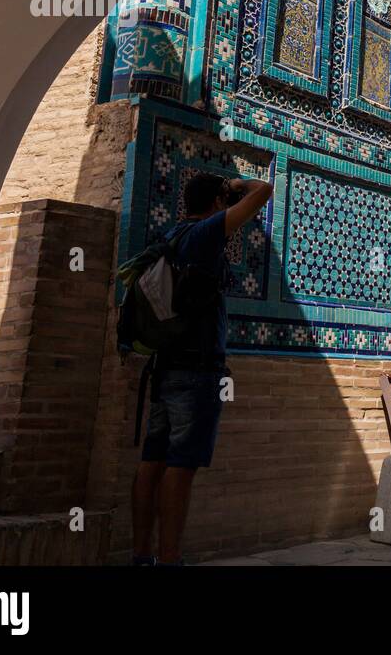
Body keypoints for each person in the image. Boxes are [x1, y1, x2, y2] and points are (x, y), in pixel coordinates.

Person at [130, 172, 273, 565]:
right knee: (182, 464)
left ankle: (141, 554)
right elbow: (265, 191)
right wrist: (237, 186)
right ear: (215, 202)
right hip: (195, 373)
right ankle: (170, 557)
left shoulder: (171, 235)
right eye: (222, 199)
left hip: (164, 368)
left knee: (152, 461)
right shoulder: (207, 233)